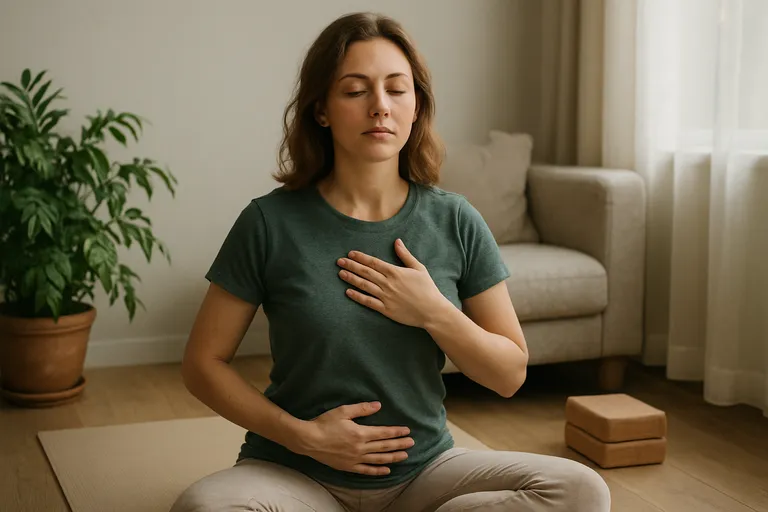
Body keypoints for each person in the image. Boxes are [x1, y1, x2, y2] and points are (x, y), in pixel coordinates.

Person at [170, 11, 611, 512]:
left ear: (416, 104)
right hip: (295, 472)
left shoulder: (455, 220)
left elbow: (509, 374)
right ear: (322, 110)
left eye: (397, 89)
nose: (380, 106)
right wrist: (304, 436)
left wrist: (434, 311)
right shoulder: (269, 223)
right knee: (203, 509)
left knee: (580, 490)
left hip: (425, 474)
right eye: (356, 91)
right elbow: (202, 364)